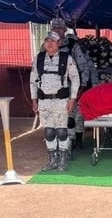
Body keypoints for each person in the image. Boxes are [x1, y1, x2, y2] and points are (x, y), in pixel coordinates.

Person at [30, 31, 80, 171]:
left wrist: (73, 98)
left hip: (61, 101)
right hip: (44, 101)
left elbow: (75, 78)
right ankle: (53, 160)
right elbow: (33, 81)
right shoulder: (38, 59)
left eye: (53, 40)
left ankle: (63, 160)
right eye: (47, 40)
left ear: (59, 43)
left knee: (61, 132)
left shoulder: (66, 58)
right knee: (49, 132)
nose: (49, 43)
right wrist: (34, 100)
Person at [49, 18, 98, 158]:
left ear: (64, 30)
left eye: (60, 28)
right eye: (55, 28)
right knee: (60, 117)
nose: (57, 31)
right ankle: (63, 144)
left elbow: (84, 68)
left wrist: (82, 87)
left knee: (75, 115)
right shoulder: (48, 45)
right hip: (54, 88)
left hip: (73, 86)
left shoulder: (73, 45)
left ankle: (75, 141)